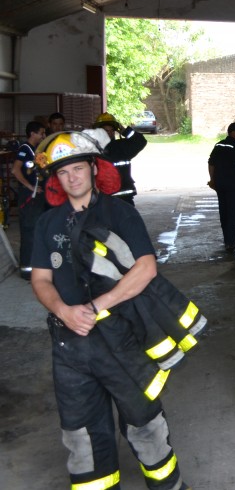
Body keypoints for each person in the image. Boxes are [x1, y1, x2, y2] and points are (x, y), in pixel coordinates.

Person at [30, 131, 193, 490]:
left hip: (122, 340)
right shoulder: (48, 223)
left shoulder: (120, 213)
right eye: (63, 173)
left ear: (92, 167)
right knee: (81, 434)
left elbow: (146, 268)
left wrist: (93, 306)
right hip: (70, 347)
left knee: (144, 422)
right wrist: (63, 311)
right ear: (55, 180)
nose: (72, 178)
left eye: (77, 168)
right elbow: (41, 278)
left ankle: (169, 486)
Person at [208, 122, 235, 253]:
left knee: (224, 211)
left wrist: (212, 180)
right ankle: (230, 241)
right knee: (233, 212)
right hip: (232, 184)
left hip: (220, 183)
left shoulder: (219, 145)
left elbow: (211, 163)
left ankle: (227, 239)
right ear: (232, 132)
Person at [12, 120, 47, 279]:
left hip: (40, 196)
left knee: (40, 231)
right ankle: (27, 269)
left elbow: (45, 170)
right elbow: (15, 171)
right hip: (29, 197)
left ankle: (39, 267)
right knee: (29, 232)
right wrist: (30, 187)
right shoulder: (24, 149)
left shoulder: (38, 151)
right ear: (32, 133)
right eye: (41, 133)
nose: (43, 136)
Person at [94, 112, 148, 204]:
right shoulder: (93, 149)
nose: (110, 133)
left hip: (124, 199)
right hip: (103, 199)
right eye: (106, 131)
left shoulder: (122, 146)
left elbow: (140, 141)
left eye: (112, 130)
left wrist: (125, 131)